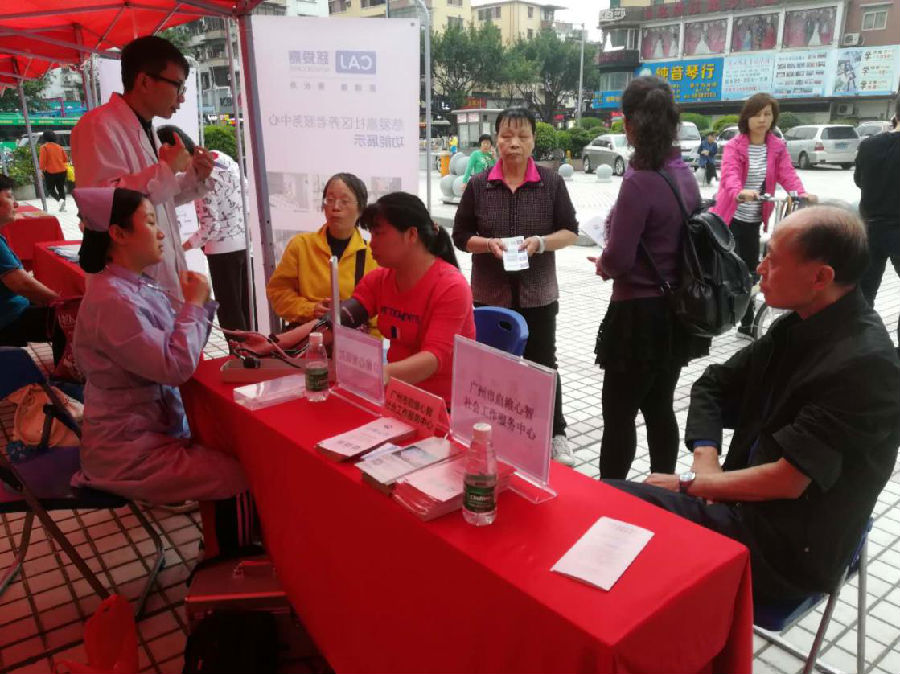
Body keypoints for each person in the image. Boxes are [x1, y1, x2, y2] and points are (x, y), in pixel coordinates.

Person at [609, 206, 900, 605]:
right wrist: (706, 467)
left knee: (617, 507)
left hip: (785, 550)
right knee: (611, 510)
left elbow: (787, 481)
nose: (759, 268)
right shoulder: (796, 324)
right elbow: (712, 385)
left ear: (821, 277)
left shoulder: (868, 365)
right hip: (738, 507)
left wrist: (691, 484)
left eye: (773, 260)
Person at [71, 186, 255, 558]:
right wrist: (194, 305)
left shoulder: (133, 285)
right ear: (118, 234)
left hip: (150, 431)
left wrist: (197, 308)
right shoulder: (113, 300)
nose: (160, 233)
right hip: (129, 452)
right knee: (236, 475)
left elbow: (179, 348)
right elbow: (174, 366)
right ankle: (227, 564)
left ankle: (223, 543)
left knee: (237, 448)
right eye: (151, 222)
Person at [248, 192, 475, 405]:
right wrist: (274, 344)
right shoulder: (379, 280)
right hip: (396, 397)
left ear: (411, 235)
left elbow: (433, 359)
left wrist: (377, 374)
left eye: (379, 234)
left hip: (443, 406)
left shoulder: (451, 287)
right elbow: (334, 323)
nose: (371, 243)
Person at [593, 77, 711, 480]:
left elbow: (619, 259)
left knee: (619, 414)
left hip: (638, 316)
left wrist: (603, 263)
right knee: (660, 405)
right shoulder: (683, 173)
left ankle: (612, 492)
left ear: (629, 125)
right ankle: (663, 487)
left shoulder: (639, 181)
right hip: (676, 311)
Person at [453, 106, 579, 465]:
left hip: (538, 293)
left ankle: (555, 434)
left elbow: (570, 232)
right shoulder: (480, 185)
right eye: (507, 136)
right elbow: (461, 236)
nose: (514, 143)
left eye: (523, 136)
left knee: (543, 364)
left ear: (533, 141)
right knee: (491, 367)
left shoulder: (551, 182)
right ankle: (491, 431)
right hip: (490, 294)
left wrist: (540, 242)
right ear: (496, 141)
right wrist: (487, 244)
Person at [71, 35, 214, 299]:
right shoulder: (97, 126)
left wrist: (194, 176)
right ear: (145, 81)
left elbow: (157, 201)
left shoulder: (146, 128)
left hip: (157, 277)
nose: (182, 98)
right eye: (178, 86)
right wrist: (166, 169)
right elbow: (105, 207)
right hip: (128, 285)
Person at [712, 92, 809, 338]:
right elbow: (730, 174)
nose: (762, 119)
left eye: (767, 114)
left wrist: (801, 194)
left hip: (755, 218)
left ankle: (746, 325)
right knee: (731, 269)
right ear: (746, 118)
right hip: (731, 216)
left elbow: (787, 173)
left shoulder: (776, 147)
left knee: (750, 270)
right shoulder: (735, 146)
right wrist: (739, 191)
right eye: (757, 114)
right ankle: (718, 313)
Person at [157, 125, 250, 331]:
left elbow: (210, 227)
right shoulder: (222, 158)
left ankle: (238, 350)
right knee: (246, 308)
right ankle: (253, 347)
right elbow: (246, 190)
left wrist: (183, 247)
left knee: (230, 313)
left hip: (222, 251)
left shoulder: (203, 175)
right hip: (243, 243)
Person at [266, 173, 377, 327]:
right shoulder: (301, 245)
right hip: (308, 335)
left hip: (354, 338)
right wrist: (311, 309)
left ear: (361, 209)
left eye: (344, 201)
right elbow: (278, 292)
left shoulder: (373, 254)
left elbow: (382, 309)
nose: (335, 207)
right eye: (330, 200)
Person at [0, 174, 65, 363]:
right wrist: (60, 303)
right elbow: (21, 284)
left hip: (11, 308)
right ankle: (64, 375)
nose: (16, 204)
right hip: (8, 318)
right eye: (9, 197)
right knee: (67, 319)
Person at [855, 95, 900, 306]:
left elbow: (859, 181)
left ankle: (859, 327)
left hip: (869, 229)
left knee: (863, 295)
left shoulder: (868, 145)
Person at [39, 131, 69, 212]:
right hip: (62, 170)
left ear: (44, 138)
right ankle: (63, 207)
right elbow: (65, 158)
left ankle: (59, 201)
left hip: (50, 171)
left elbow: (42, 161)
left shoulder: (44, 147)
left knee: (50, 189)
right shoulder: (59, 147)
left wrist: (41, 170)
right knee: (61, 188)